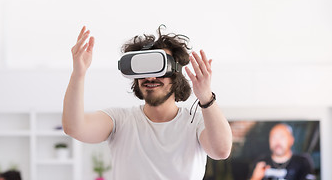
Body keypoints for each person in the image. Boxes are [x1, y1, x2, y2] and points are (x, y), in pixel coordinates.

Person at [62, 26, 232, 179]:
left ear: (176, 74)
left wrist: (206, 97)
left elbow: (221, 150)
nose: (150, 77)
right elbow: (74, 128)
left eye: (159, 69)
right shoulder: (119, 120)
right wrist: (79, 73)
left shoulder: (196, 122)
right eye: (143, 70)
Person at [250, 123, 315, 180]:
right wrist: (255, 178)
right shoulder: (261, 162)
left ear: (291, 140)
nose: (277, 142)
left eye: (282, 137)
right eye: (274, 137)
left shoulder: (302, 162)